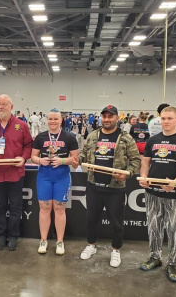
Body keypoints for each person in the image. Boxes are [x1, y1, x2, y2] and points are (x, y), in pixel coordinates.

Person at [74, 105, 141, 267]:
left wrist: (126, 173)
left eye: (110, 116)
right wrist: (79, 159)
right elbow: (83, 154)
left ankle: (116, 250)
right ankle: (91, 245)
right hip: (93, 185)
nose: (107, 119)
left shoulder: (125, 138)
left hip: (115, 188)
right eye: (104, 116)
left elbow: (136, 161)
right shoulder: (93, 135)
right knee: (91, 219)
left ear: (117, 118)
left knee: (117, 222)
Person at [138, 106, 176, 282]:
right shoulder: (153, 140)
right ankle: (155, 257)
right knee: (154, 226)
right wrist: (143, 177)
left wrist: (175, 183)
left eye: (169, 118)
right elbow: (145, 162)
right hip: (153, 192)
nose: (166, 121)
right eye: (163, 118)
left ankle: (172, 263)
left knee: (175, 229)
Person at [0, 94, 33, 251]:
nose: (1, 107)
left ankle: (14, 236)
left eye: (4, 104)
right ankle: (1, 235)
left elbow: (29, 145)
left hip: (15, 174)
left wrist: (23, 158)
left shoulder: (21, 126)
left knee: (16, 206)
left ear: (11, 106)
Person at [31, 109, 79, 255]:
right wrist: (40, 160)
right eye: (50, 119)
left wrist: (63, 160)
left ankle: (60, 241)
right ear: (47, 120)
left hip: (62, 177)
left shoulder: (69, 137)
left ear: (61, 120)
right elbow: (33, 156)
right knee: (44, 209)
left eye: (55, 119)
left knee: (59, 209)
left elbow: (75, 160)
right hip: (44, 176)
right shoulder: (40, 137)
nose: (52, 121)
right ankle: (43, 240)